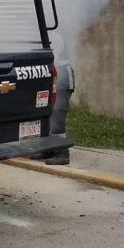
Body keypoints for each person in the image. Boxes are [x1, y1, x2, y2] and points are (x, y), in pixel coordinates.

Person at [41, 33, 75, 165]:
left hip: (62, 76)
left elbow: (53, 59)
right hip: (55, 74)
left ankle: (62, 153)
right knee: (48, 113)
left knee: (58, 113)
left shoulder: (53, 36)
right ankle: (49, 148)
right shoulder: (48, 34)